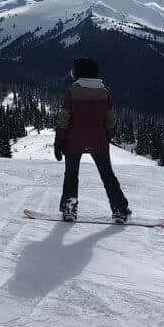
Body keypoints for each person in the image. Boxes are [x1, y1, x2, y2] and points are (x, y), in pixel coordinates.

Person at [53, 56, 130, 223]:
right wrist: (107, 136)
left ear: (79, 72)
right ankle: (120, 210)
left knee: (71, 175)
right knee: (107, 175)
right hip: (99, 142)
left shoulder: (72, 93)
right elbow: (110, 119)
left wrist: (59, 141)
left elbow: (64, 119)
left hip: (73, 142)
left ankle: (69, 210)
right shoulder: (104, 93)